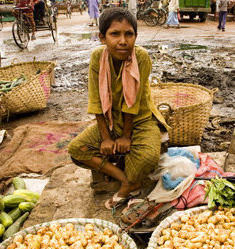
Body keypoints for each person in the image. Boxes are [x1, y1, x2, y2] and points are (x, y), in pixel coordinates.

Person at [68, 7, 169, 210]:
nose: (123, 41)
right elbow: (96, 100)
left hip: (141, 120)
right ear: (102, 38)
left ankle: (130, 180)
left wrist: (126, 136)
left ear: (135, 37)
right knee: (76, 149)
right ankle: (127, 181)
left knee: (149, 156)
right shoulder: (98, 57)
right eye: (115, 34)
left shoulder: (140, 57)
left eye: (129, 34)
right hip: (111, 120)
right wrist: (106, 137)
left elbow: (132, 103)